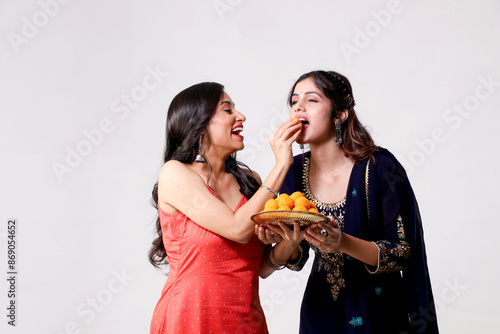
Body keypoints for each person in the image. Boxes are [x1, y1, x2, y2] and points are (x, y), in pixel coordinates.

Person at [255, 70, 439, 333]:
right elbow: (296, 259)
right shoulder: (293, 170)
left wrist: (342, 242)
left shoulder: (379, 167)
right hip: (319, 314)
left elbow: (400, 252)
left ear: (341, 114)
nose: (298, 107)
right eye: (294, 101)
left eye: (311, 100)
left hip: (378, 315)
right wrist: (288, 240)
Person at [148, 82, 303, 334]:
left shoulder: (250, 181)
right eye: (227, 110)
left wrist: (289, 244)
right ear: (197, 124)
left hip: (245, 321)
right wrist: (282, 165)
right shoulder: (175, 174)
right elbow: (237, 229)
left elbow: (259, 268)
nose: (241, 116)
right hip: (190, 320)